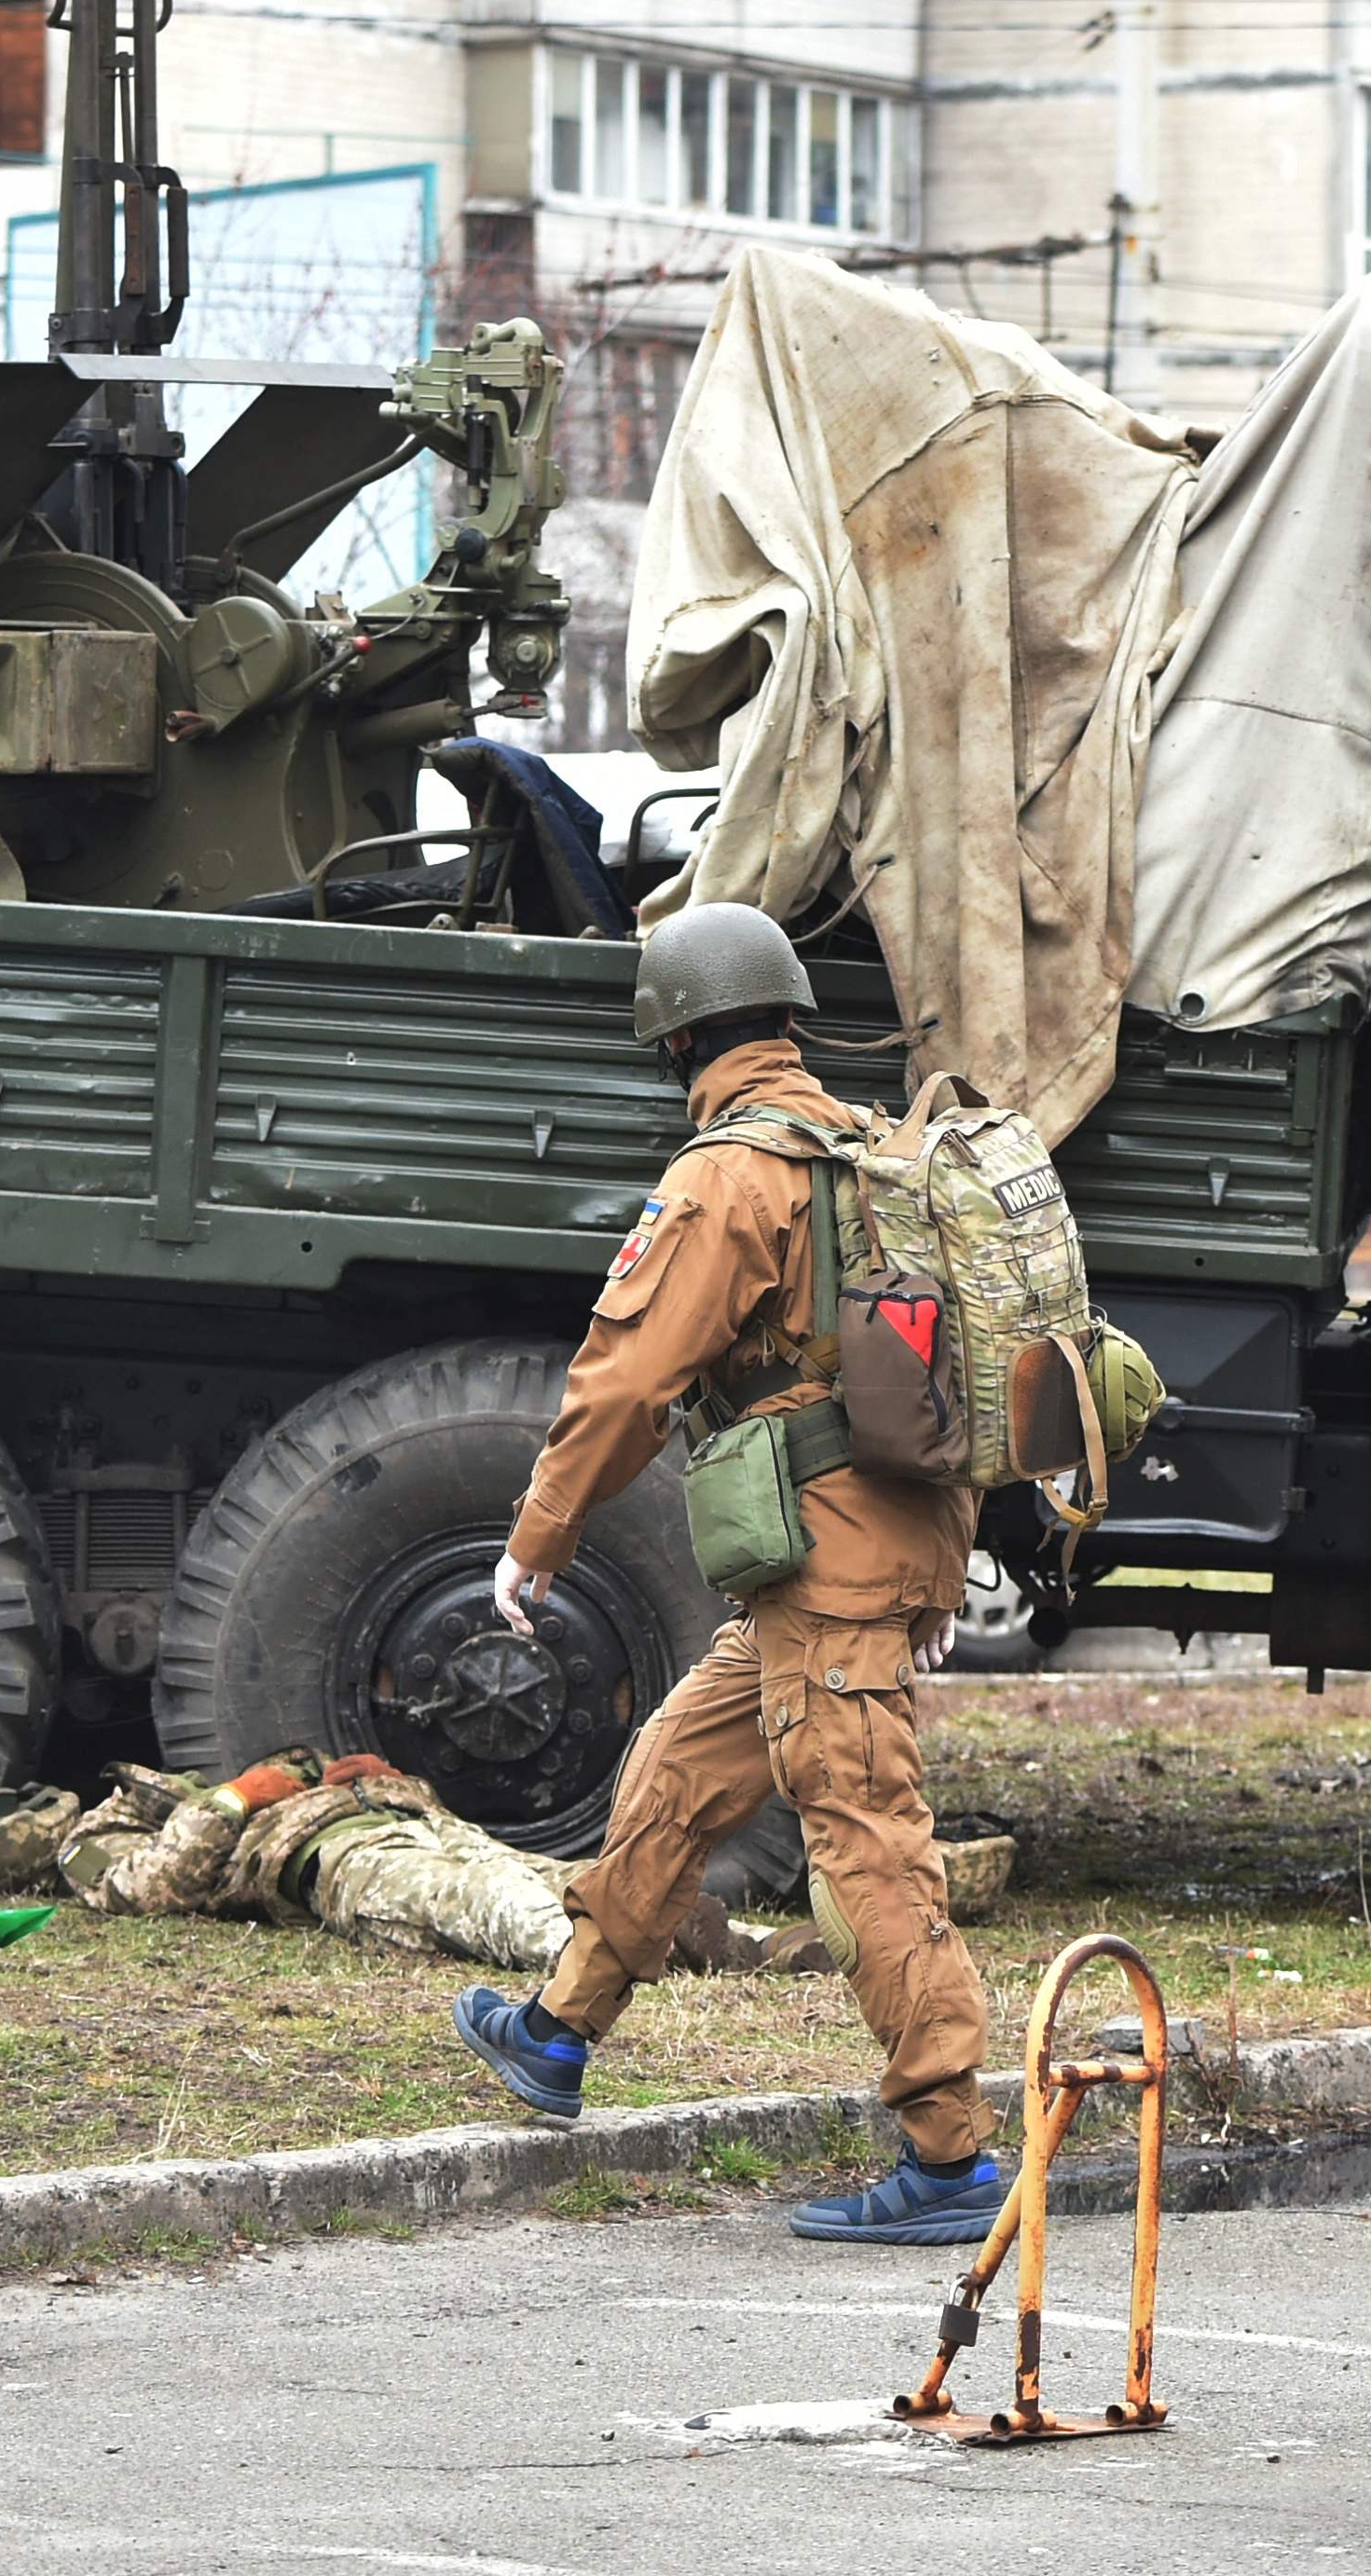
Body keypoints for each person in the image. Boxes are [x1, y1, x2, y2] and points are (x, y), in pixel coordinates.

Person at [446, 904, 1008, 2247]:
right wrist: (946, 1551)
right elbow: (970, 1364)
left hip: (828, 1561)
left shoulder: (729, 1177)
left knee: (865, 1837)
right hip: (878, 1547)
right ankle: (557, 2031)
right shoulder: (877, 1151)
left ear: (677, 1035)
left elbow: (631, 1378)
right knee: (680, 1766)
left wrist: (539, 1538)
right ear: (789, 1016)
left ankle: (948, 2155)